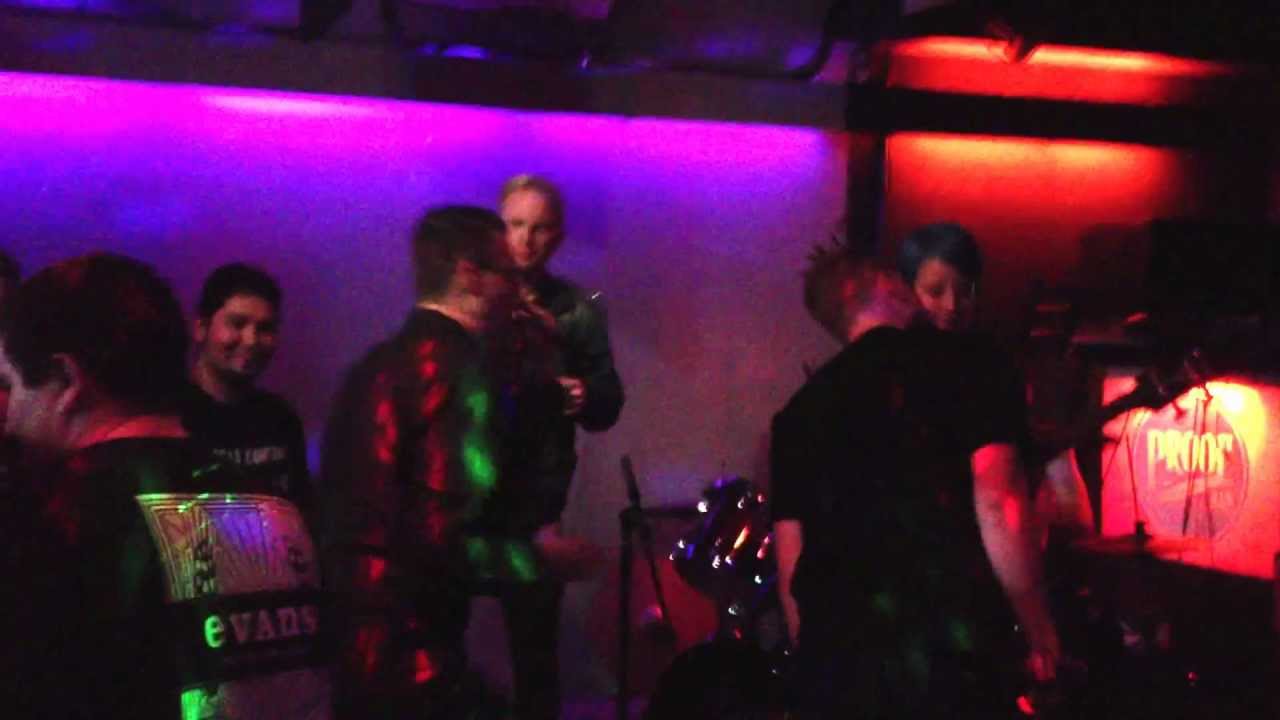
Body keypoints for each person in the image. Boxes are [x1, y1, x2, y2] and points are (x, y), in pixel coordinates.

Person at [0, 253, 329, 719]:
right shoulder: (277, 509)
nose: (10, 415)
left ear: (67, 380)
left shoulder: (51, 516)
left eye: (11, 385)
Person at [771, 240, 1059, 718]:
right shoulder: (971, 366)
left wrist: (814, 666)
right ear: (887, 287)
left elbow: (791, 559)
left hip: (840, 671)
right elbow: (997, 500)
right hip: (948, 659)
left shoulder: (797, 415)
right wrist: (1037, 626)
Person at [320, 206, 520, 719]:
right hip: (413, 652)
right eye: (508, 273)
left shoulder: (374, 366)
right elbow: (440, 533)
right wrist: (538, 559)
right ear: (470, 273)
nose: (517, 289)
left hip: (351, 640)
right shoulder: (460, 372)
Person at [496, 174, 624, 719]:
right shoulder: (471, 295)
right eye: (515, 225)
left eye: (539, 228)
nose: (526, 240)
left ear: (558, 237)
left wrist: (583, 393)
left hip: (535, 501)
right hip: (465, 492)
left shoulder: (575, 308)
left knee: (535, 656)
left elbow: (609, 398)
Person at [183, 262, 312, 510]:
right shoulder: (169, 416)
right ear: (201, 328)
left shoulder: (280, 420)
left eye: (265, 328)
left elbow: (302, 511)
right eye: (237, 323)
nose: (251, 340)